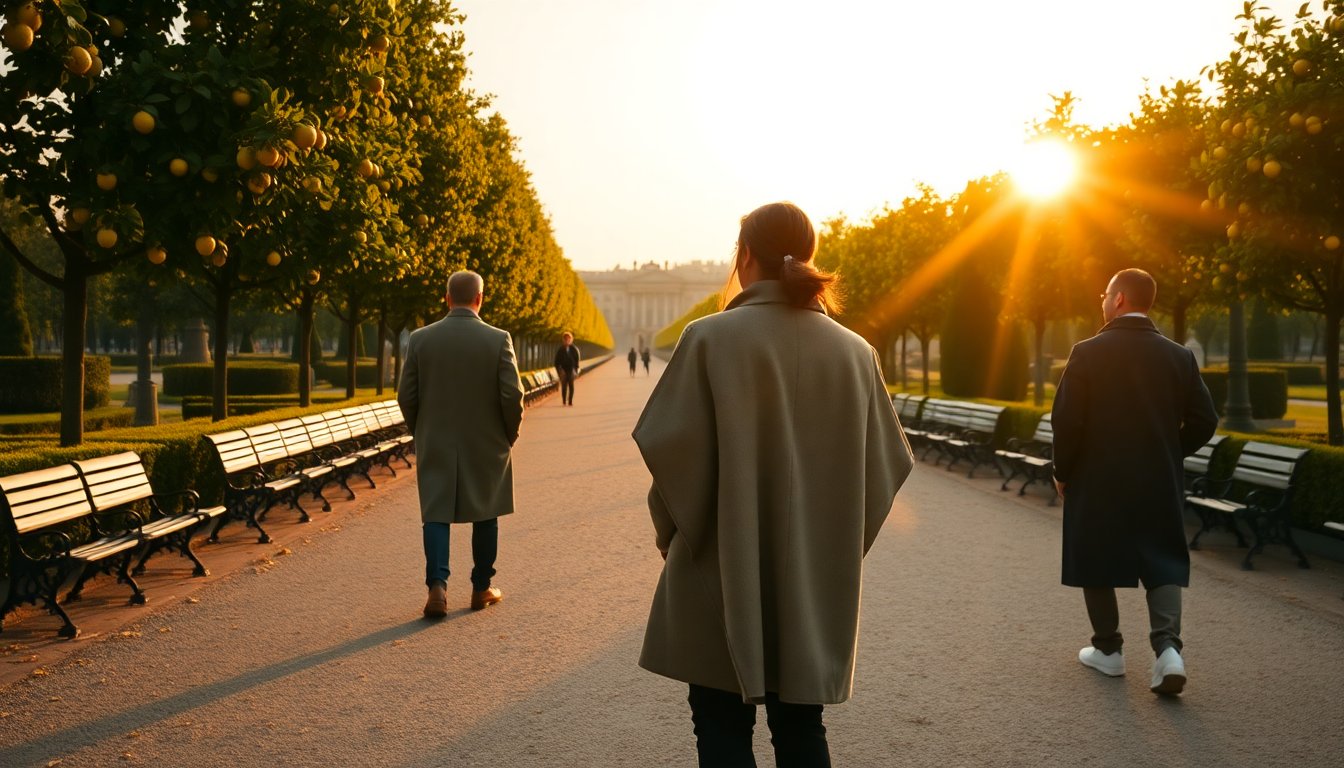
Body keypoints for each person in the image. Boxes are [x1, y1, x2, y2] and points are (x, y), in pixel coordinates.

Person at [632, 202, 914, 766]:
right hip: (812, 572)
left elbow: (670, 454)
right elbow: (886, 468)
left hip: (718, 562)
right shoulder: (857, 353)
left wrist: (672, 536)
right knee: (802, 726)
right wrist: (831, 545)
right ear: (809, 257)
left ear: (744, 256)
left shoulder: (709, 338)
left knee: (719, 723)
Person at [1051, 268, 1218, 696]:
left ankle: (1108, 651)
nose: (1102, 301)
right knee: (1161, 556)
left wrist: (1062, 472)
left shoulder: (1086, 352)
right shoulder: (1180, 356)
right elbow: (1205, 420)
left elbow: (1067, 422)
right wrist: (1168, 452)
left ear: (1120, 299)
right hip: (1157, 478)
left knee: (1095, 554)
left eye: (1105, 294)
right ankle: (1168, 651)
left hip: (1096, 477)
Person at [397, 270, 524, 617]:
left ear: (447, 298)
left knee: (435, 514)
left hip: (436, 439)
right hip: (486, 442)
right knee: (486, 513)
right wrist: (507, 435)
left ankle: (437, 588)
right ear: (480, 298)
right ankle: (481, 588)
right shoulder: (499, 339)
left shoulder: (421, 339)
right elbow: (513, 395)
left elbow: (406, 395)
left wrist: (423, 430)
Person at [554, 331, 581, 406]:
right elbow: (556, 362)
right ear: (563, 340)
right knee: (564, 386)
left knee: (571, 386)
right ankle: (564, 401)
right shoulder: (560, 350)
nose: (567, 341)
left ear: (571, 340)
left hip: (571, 370)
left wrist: (576, 370)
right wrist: (559, 371)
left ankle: (570, 401)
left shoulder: (574, 349)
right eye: (565, 339)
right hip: (563, 370)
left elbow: (577, 360)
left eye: (568, 339)